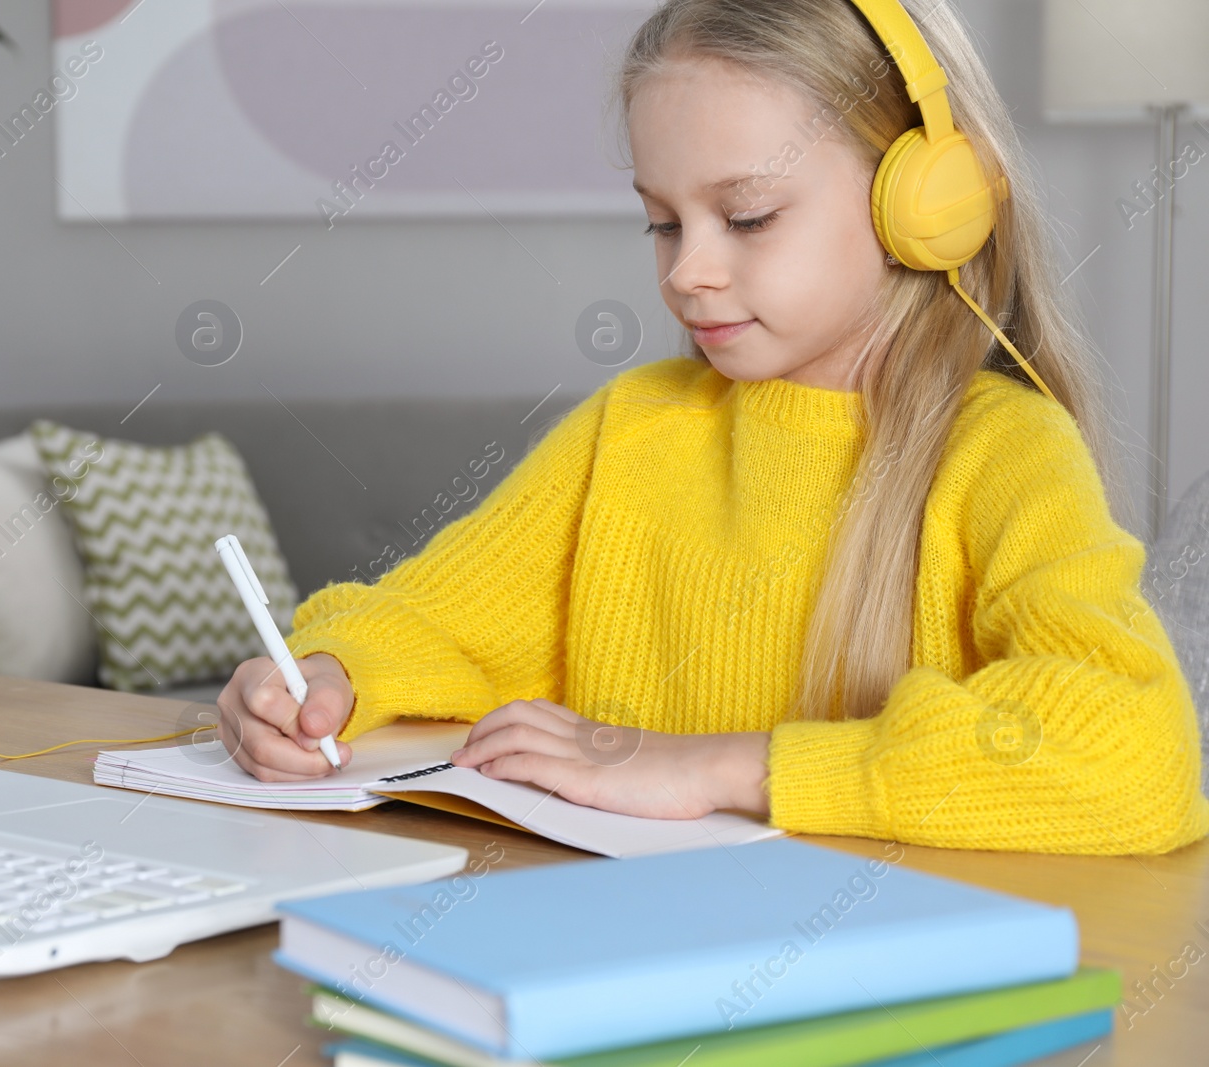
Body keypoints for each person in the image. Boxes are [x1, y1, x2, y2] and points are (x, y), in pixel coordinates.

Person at [214, 0, 1209, 854]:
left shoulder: (1001, 453)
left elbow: (1133, 749)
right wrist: (329, 680)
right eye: (661, 220)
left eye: (746, 216)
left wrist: (720, 768)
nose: (686, 270)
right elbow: (432, 621)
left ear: (922, 206)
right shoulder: (630, 429)